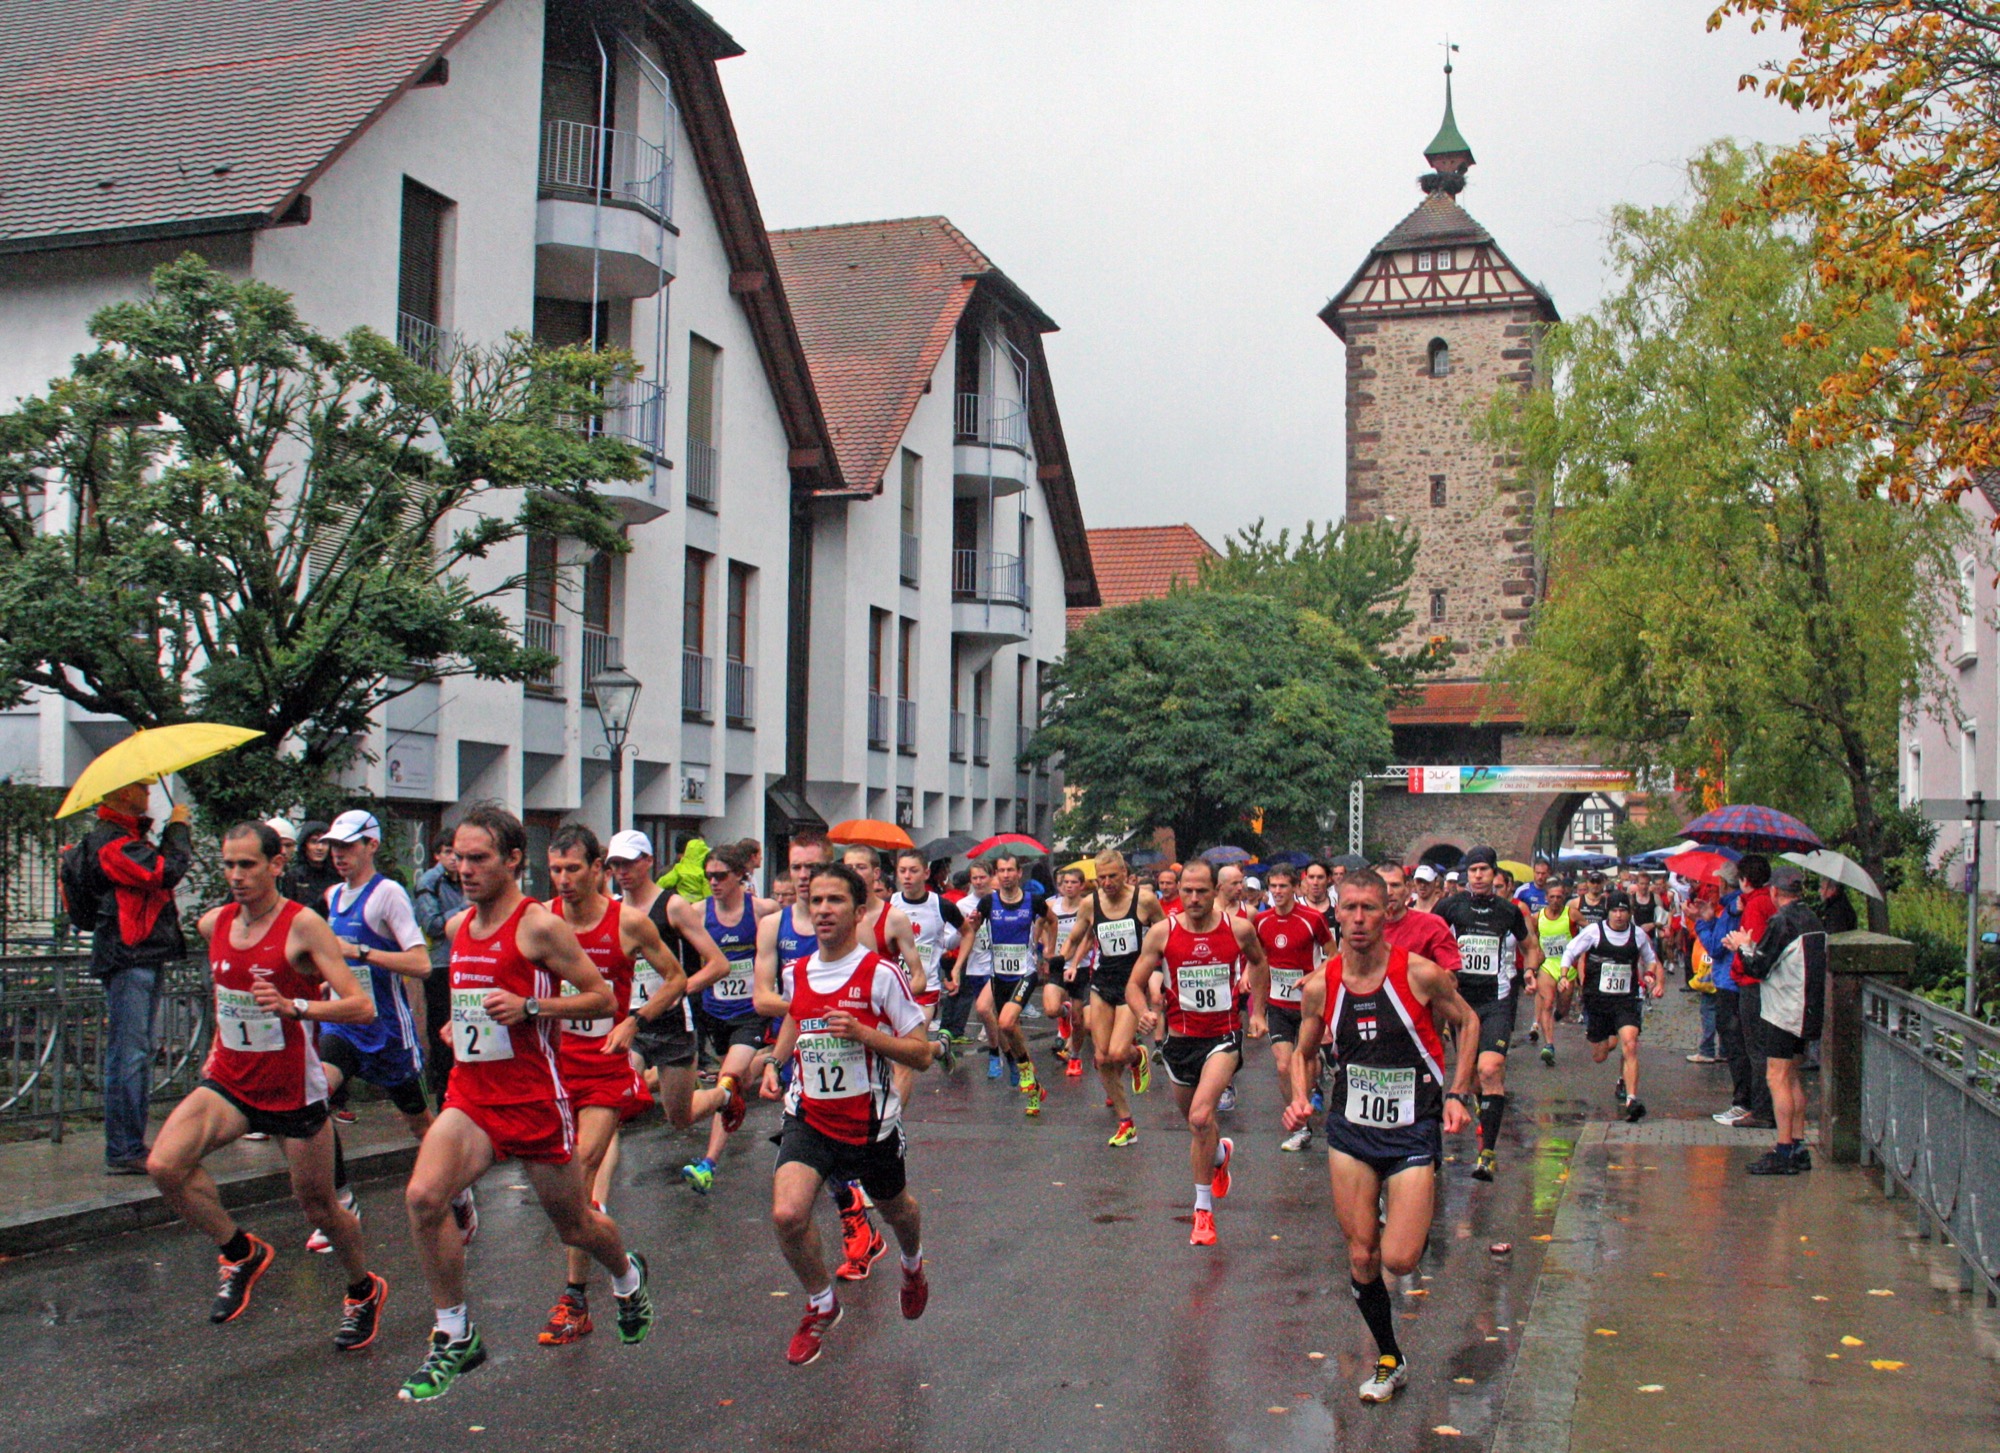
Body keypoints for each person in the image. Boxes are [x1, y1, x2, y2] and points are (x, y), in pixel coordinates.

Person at [397, 805, 654, 1402]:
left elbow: (600, 999)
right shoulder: (460, 927)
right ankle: (454, 1333)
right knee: (423, 1196)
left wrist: (532, 1008)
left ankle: (626, 1275)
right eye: (458, 857)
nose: (464, 868)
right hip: (472, 1094)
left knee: (575, 1222)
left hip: (535, 1097)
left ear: (514, 860)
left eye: (478, 857)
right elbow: (474, 1007)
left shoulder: (538, 926)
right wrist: (459, 1030)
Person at [146, 821, 387, 1349]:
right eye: (228, 865)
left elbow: (360, 1006)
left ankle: (362, 1288)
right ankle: (239, 1252)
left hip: (291, 1090)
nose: (236, 875)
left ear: (277, 864)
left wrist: (295, 1005)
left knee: (321, 1207)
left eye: (247, 864)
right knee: (165, 1165)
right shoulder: (215, 924)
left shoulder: (303, 927)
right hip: (230, 1080)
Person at [1285, 868, 1477, 1404]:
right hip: (1351, 1128)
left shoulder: (1418, 974)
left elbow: (1469, 1022)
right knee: (1363, 1256)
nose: (1360, 918)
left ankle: (1411, 1205)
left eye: (1371, 907)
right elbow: (1303, 1052)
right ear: (1337, 913)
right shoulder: (1323, 983)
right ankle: (1390, 1358)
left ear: (1387, 911)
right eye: (1350, 908)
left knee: (1399, 1260)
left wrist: (1459, 1093)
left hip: (1413, 1125)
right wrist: (1300, 1097)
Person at [759, 862, 935, 1365]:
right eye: (815, 901)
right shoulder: (797, 972)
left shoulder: (880, 974)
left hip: (870, 1123)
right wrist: (775, 1062)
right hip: (810, 1116)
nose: (822, 911)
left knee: (898, 1209)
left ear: (859, 912)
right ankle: (821, 1303)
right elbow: (797, 1017)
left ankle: (912, 1263)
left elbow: (920, 1053)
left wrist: (864, 1035)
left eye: (834, 901)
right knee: (787, 1214)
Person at [540, 825, 687, 1344]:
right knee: (563, 1190)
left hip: (604, 1067)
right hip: (551, 1065)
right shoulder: (542, 921)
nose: (563, 880)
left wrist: (635, 1021)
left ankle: (575, 1298)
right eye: (555, 870)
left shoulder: (627, 923)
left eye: (573, 869)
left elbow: (675, 978)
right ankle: (623, 1267)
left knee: (579, 1170)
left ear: (598, 868)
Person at [312, 810, 466, 1252]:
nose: (338, 855)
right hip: (344, 1025)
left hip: (388, 1033)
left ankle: (458, 1188)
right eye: (334, 847)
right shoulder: (333, 896)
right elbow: (334, 956)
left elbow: (419, 963)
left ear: (371, 846)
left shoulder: (388, 895)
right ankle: (341, 1203)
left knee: (421, 1126)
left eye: (348, 847)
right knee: (315, 1098)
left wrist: (361, 951)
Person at [1127, 859, 1269, 1245]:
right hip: (1179, 1041)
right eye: (1187, 890)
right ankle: (1220, 1156)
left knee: (1202, 1115)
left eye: (1201, 891)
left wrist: (1258, 1013)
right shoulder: (1162, 933)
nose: (1192, 897)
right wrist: (1142, 1012)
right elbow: (1134, 984)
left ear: (1215, 891)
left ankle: (1202, 1212)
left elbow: (1259, 964)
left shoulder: (1238, 929)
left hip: (1223, 1036)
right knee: (1197, 1125)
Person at [73, 777, 193, 1174]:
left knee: (134, 1052)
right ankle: (124, 1149)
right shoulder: (113, 843)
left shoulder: (122, 838)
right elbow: (164, 872)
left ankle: (129, 1145)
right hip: (130, 955)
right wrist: (178, 828)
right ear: (124, 794)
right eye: (142, 788)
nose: (148, 794)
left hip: (136, 953)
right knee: (130, 1054)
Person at [603, 829, 731, 1137]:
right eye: (615, 865)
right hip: (630, 1022)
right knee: (616, 1101)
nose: (622, 872)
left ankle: (723, 1095)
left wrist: (675, 990)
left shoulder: (672, 906)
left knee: (679, 1117)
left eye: (629, 864)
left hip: (673, 1023)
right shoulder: (613, 910)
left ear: (648, 861)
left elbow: (719, 964)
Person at [1434, 846, 1540, 1182]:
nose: (1478, 876)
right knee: (1475, 1078)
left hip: (1497, 1000)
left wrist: (1530, 970)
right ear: (1466, 874)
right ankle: (1486, 1111)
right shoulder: (1451, 906)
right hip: (1461, 1003)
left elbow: (1530, 946)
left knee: (1489, 1068)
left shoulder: (1508, 911)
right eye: (1472, 870)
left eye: (1483, 869)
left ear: (1495, 874)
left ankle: (1487, 1153)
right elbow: (1429, 937)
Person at [679, 842, 774, 1193]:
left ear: (740, 876)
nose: (714, 883)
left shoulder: (763, 911)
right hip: (714, 1012)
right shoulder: (695, 912)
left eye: (720, 876)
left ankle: (708, 1164)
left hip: (751, 1013)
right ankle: (768, 1058)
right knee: (732, 1084)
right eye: (709, 877)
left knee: (728, 1079)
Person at [1056, 850, 1164, 1145]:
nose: (1106, 882)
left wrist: (1163, 973)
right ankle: (1126, 1121)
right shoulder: (1091, 904)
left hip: (1132, 985)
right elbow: (1075, 936)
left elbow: (1166, 933)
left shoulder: (1144, 900)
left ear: (1125, 873)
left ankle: (1136, 1054)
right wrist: (1059, 961)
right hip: (1102, 983)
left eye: (1112, 876)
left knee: (1117, 1054)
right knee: (1102, 1058)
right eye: (1101, 877)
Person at [1730, 865, 1828, 1175]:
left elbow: (1758, 967)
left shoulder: (1782, 922)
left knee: (1777, 1077)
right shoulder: (1812, 919)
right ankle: (1797, 1145)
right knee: (1793, 1075)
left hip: (1784, 1008)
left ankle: (1784, 1149)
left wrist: (1742, 946)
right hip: (1807, 1007)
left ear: (1774, 892)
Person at [951, 853, 1050, 1114]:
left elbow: (1051, 921)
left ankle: (1025, 1072)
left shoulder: (1033, 901)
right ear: (997, 875)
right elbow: (971, 934)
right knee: (1005, 1026)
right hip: (998, 975)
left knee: (1005, 1022)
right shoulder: (987, 903)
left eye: (1010, 870)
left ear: (1019, 873)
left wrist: (1046, 951)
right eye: (1001, 870)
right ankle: (1032, 1081)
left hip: (1024, 974)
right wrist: (958, 966)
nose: (1006, 875)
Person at [1561, 892, 1663, 1121]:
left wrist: (1648, 974)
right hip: (1597, 1001)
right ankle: (1619, 1067)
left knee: (1630, 1043)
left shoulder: (1637, 935)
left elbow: (1652, 959)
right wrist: (1564, 975)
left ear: (1630, 913)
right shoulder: (1594, 932)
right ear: (1608, 912)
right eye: (1614, 911)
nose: (1618, 915)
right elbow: (1570, 951)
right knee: (1600, 1055)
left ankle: (1631, 1099)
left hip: (1625, 1000)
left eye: (1623, 911)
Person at [1256, 863, 1334, 1152]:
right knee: (1284, 1065)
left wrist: (1313, 977)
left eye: (1283, 886)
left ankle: (1311, 1089)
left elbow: (1334, 956)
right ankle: (1300, 1126)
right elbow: (1259, 962)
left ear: (1295, 888)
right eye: (1273, 886)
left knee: (1304, 1066)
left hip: (1308, 1005)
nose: (1277, 892)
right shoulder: (1261, 921)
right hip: (1277, 1004)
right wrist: (1256, 1010)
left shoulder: (1312, 919)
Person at [892, 848, 965, 1061]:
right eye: (902, 870)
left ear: (925, 873)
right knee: (908, 1049)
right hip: (896, 985)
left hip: (927, 987)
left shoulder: (940, 904)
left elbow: (967, 932)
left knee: (910, 1047)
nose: (907, 876)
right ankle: (940, 1047)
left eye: (913, 870)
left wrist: (957, 968)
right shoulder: (891, 903)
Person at [1723, 855, 1778, 1129]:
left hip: (1751, 984)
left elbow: (1752, 946)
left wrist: (1737, 948)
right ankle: (1767, 1106)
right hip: (1766, 984)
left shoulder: (1756, 905)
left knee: (1755, 1049)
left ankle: (1761, 1109)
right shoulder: (1768, 900)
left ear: (1744, 880)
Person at [413, 831, 467, 1106]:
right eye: (448, 852)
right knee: (441, 1032)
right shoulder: (430, 882)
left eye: (457, 853)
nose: (454, 859)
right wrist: (463, 910)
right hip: (440, 964)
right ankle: (443, 1096)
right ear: (436, 855)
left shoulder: (464, 879)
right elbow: (432, 923)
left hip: (464, 961)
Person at [1041, 865, 1092, 1075]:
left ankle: (1075, 1056)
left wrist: (1073, 963)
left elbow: (1088, 939)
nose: (1069, 886)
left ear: (1081, 886)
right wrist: (1048, 947)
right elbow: (1042, 925)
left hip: (1082, 966)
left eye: (1073, 883)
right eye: (1065, 883)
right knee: (1051, 1009)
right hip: (1058, 963)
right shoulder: (1051, 905)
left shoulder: (1087, 907)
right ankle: (1065, 1012)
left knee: (1080, 1022)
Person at [1373, 864, 1462, 972]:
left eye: (1395, 885)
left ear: (1408, 888)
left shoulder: (1433, 925)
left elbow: (1451, 978)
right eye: (1382, 886)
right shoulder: (1359, 925)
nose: (1388, 892)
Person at [1530, 878, 1580, 1066]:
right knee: (1547, 1003)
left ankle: (1554, 1018)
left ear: (1564, 897)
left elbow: (1589, 933)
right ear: (1546, 897)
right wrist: (1535, 956)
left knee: (1563, 1008)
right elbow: (1530, 940)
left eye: (1559, 897)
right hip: (1548, 965)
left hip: (1568, 966)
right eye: (1552, 897)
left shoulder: (1572, 914)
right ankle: (1549, 1045)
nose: (1556, 900)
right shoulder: (1538, 918)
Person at [286, 820, 341, 908]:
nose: (320, 848)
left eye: (324, 842)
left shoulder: (337, 875)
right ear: (305, 845)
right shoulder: (294, 876)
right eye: (314, 842)